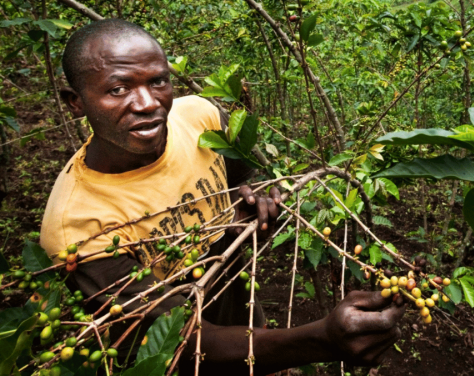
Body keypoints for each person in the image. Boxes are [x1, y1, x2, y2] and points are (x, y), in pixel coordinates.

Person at [40, 19, 405, 375]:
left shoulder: (202, 117)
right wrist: (321, 340)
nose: (148, 103)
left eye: (159, 81)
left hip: (244, 314)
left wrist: (257, 203)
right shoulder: (78, 227)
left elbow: (248, 179)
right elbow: (184, 342)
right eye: (118, 90)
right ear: (76, 102)